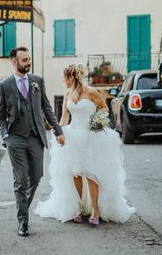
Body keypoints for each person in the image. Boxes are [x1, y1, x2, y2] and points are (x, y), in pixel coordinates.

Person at [35, 64, 135, 226]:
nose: (63, 81)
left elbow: (104, 108)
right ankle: (79, 207)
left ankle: (95, 209)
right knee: (75, 172)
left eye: (64, 78)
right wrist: (59, 132)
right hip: (73, 135)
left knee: (91, 173)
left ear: (71, 77)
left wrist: (96, 120)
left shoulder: (91, 92)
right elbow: (65, 116)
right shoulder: (68, 94)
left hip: (91, 136)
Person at [0, 46, 65, 237]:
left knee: (35, 177)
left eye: (29, 59)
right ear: (14, 62)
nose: (28, 63)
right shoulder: (4, 85)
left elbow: (47, 107)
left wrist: (58, 130)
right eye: (24, 60)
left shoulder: (37, 81)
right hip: (15, 138)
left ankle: (23, 207)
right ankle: (23, 222)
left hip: (36, 137)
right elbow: (0, 117)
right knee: (20, 181)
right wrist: (5, 136)